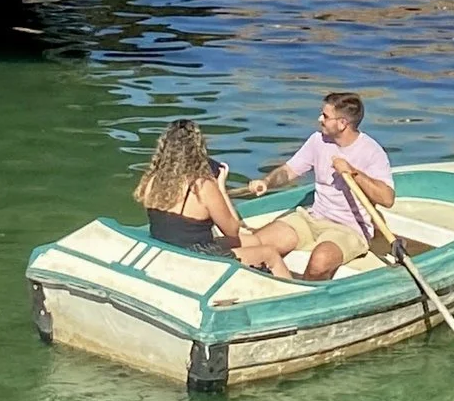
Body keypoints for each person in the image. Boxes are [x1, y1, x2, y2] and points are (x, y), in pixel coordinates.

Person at [242, 91, 397, 279]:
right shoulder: (318, 140)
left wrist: (353, 173)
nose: (319, 119)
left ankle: (305, 300)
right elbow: (289, 170)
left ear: (342, 124)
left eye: (325, 116)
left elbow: (387, 199)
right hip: (312, 218)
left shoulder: (372, 152)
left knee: (320, 261)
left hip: (349, 229)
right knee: (254, 244)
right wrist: (267, 182)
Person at [132, 119, 248, 258]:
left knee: (251, 240)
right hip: (198, 256)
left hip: (164, 250)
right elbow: (233, 230)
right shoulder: (203, 186)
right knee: (268, 254)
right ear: (198, 150)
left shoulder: (152, 180)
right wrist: (221, 188)